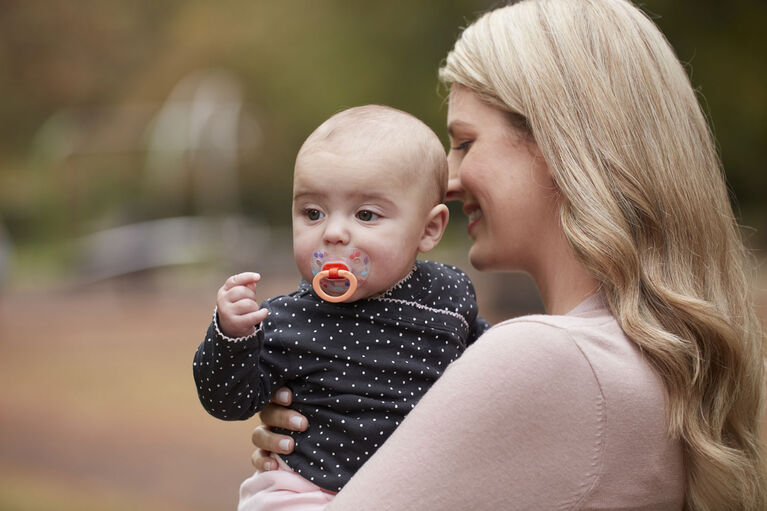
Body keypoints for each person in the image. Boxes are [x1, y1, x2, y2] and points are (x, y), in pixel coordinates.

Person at [249, 0, 767, 509]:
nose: (448, 180)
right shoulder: (654, 361)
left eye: (466, 143)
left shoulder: (549, 358)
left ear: (559, 142)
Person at [193, 104, 490, 509]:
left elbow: (489, 367)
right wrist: (231, 335)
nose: (332, 233)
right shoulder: (284, 320)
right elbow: (226, 401)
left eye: (366, 215)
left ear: (428, 229)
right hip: (308, 490)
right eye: (313, 213)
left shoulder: (449, 297)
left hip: (420, 492)